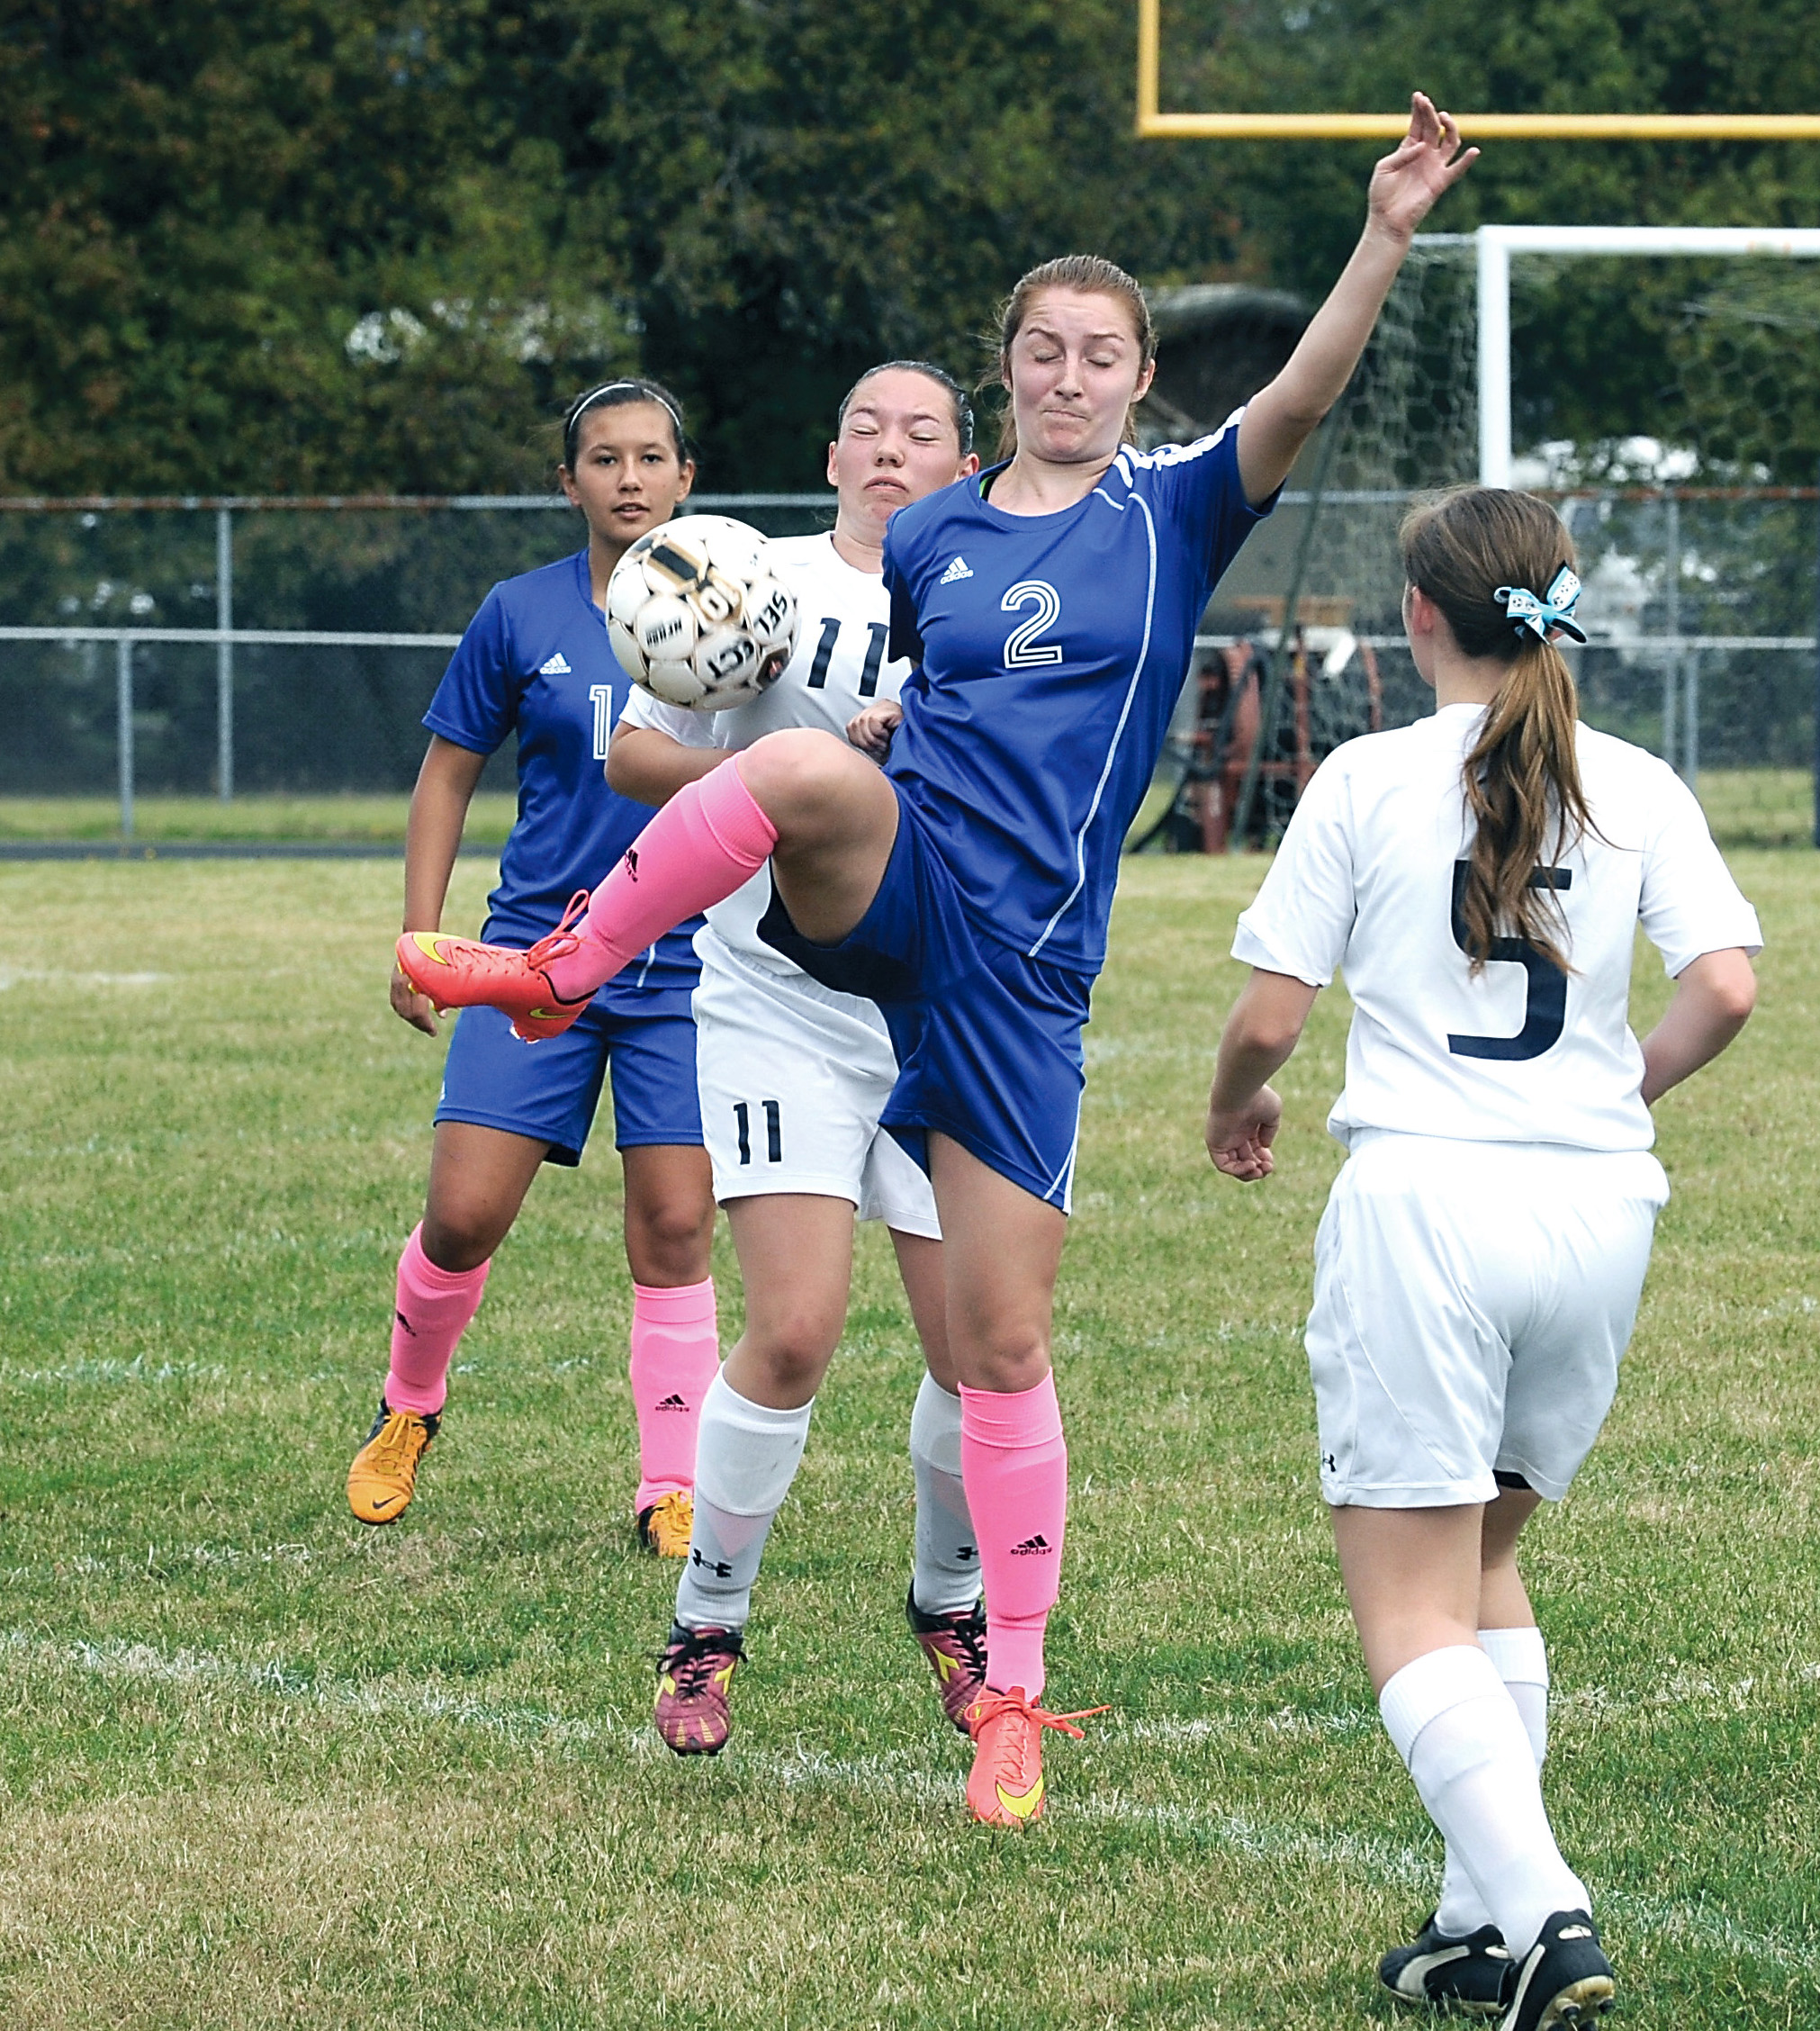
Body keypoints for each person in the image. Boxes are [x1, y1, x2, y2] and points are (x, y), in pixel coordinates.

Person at [392, 95, 1478, 1826]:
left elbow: (1310, 387)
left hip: (1030, 977)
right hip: (904, 891)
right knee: (812, 767)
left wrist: (1387, 231)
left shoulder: (1177, 512)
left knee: (1002, 1342)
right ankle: (561, 968)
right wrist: (888, 718)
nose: (1069, 374)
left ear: (1135, 380)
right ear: (1012, 368)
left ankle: (1009, 1695)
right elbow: (911, 709)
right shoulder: (938, 533)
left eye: (1100, 353)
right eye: (1042, 349)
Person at [1203, 489, 1761, 2027]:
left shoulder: (1370, 777)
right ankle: (1475, 1925)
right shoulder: (1635, 777)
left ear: (1419, 619)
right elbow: (1725, 986)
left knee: (1408, 1608)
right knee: (1486, 1558)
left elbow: (1266, 1018)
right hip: (1596, 1215)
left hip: (1429, 1210)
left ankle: (1548, 1918)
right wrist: (1614, 1091)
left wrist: (1235, 1103)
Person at [601, 361, 987, 1755]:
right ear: (831, 456)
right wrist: (783, 792)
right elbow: (633, 754)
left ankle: (950, 1606)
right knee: (796, 1327)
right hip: (777, 1003)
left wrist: (915, 744)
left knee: (970, 1352)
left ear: (966, 460)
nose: (892, 449)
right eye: (868, 429)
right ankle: (707, 1623)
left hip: (944, 1008)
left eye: (923, 431)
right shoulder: (748, 580)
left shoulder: (996, 598)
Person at [352, 379, 719, 1558]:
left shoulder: (741, 616)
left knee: (674, 1226)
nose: (628, 476)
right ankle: (408, 1408)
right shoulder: (519, 613)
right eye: (602, 459)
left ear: (685, 478)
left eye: (650, 457)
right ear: (569, 485)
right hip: (532, 963)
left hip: (686, 971)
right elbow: (447, 774)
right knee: (462, 1217)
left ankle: (672, 1486)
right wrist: (423, 936)